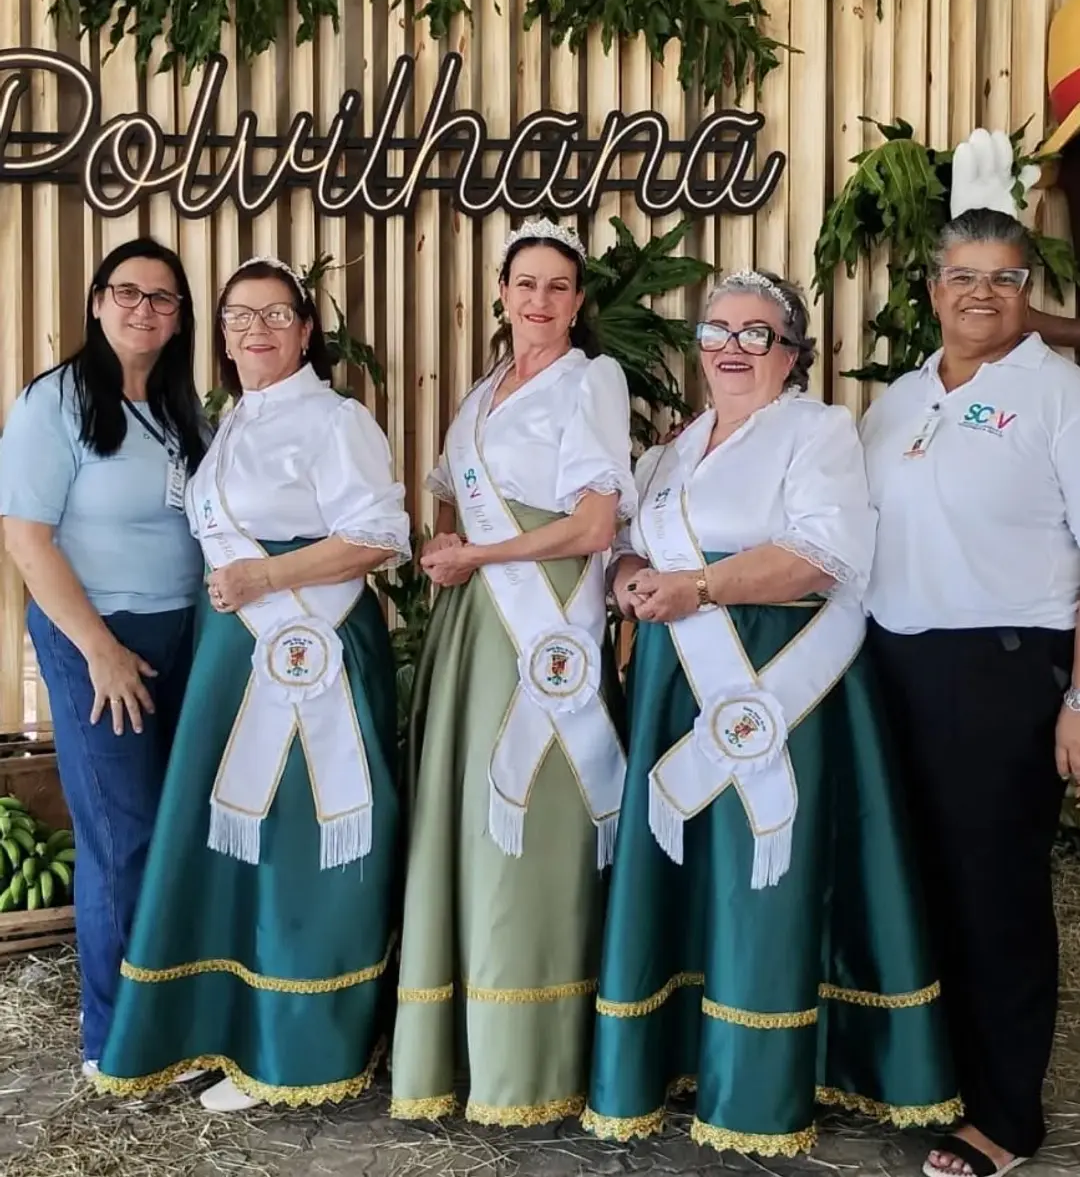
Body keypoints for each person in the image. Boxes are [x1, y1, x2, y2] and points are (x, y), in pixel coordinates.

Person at [583, 272, 957, 1157]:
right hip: (685, 679)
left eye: (758, 333)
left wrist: (699, 585)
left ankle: (761, 1083)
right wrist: (632, 574)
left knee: (765, 873)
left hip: (783, 678)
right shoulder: (675, 448)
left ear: (792, 353)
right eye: (718, 330)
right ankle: (680, 1058)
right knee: (694, 869)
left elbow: (823, 556)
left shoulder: (818, 429)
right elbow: (630, 537)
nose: (732, 347)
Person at [93, 257, 411, 1113]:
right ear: (222, 332)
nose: (255, 329)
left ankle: (295, 1048)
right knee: (235, 840)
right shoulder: (232, 419)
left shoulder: (337, 420)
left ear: (307, 330)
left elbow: (379, 533)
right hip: (235, 655)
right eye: (238, 316)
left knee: (302, 844)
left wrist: (267, 583)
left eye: (275, 314)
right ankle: (229, 1028)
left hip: (314, 657)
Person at [391, 218, 636, 1126]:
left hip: (543, 620)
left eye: (558, 286)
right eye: (525, 284)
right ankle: (460, 1050)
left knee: (532, 820)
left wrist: (481, 553)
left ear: (580, 301)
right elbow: (454, 497)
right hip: (477, 621)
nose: (540, 300)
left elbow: (594, 526)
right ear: (502, 293)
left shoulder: (592, 381)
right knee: (468, 819)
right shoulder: (487, 387)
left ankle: (534, 1059)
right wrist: (450, 546)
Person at [862, 160, 1080, 1177]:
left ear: (1026, 287)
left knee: (995, 895)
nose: (979, 291)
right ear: (933, 289)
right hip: (887, 668)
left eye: (1002, 274)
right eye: (961, 274)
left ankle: (1006, 1116)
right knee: (915, 885)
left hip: (1002, 669)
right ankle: (931, 1076)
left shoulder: (1057, 392)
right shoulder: (897, 401)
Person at [0, 238, 205, 1076]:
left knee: (179, 829)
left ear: (179, 317)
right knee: (124, 834)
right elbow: (25, 537)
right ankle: (117, 1040)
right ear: (95, 301)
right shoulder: (53, 403)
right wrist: (101, 652)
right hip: (97, 637)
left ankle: (177, 1010)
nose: (143, 309)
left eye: (162, 298)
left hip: (185, 635)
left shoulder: (181, 407)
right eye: (128, 292)